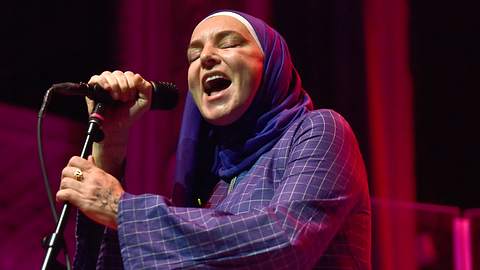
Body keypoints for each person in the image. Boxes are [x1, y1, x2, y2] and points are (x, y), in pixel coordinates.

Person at [56, 10, 371, 269]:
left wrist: (120, 208)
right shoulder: (207, 182)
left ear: (273, 64)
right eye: (194, 54)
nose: (206, 58)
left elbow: (286, 241)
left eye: (229, 43)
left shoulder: (319, 131)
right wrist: (109, 150)